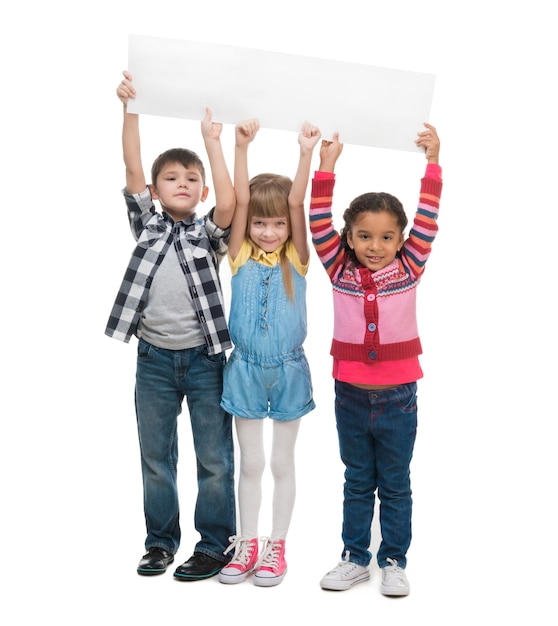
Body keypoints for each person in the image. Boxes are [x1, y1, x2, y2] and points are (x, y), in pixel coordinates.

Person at [105, 71, 237, 581]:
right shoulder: (148, 224)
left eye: (191, 179)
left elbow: (229, 204)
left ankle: (213, 544)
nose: (181, 185)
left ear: (200, 189)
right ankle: (160, 543)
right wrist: (130, 109)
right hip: (154, 360)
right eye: (171, 179)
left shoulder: (209, 234)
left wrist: (213, 143)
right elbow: (131, 163)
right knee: (156, 458)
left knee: (214, 460)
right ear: (157, 192)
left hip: (205, 361)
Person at [309, 124, 442, 596]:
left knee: (396, 482)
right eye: (364, 236)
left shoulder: (410, 266)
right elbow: (318, 222)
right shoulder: (337, 267)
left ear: (402, 239)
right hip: (349, 395)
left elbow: (428, 217)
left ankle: (394, 560)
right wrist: (327, 166)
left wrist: (432, 163)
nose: (375, 246)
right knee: (357, 479)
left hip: (399, 396)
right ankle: (354, 556)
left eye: (387, 237)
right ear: (349, 236)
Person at [217, 118, 320, 587]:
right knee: (252, 462)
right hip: (245, 369)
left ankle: (277, 545)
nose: (270, 231)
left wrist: (306, 154)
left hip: (289, 370)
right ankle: (247, 542)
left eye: (277, 223)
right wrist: (240, 149)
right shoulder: (237, 254)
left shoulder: (297, 258)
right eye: (261, 222)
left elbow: (298, 203)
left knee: (282, 462)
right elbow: (237, 202)